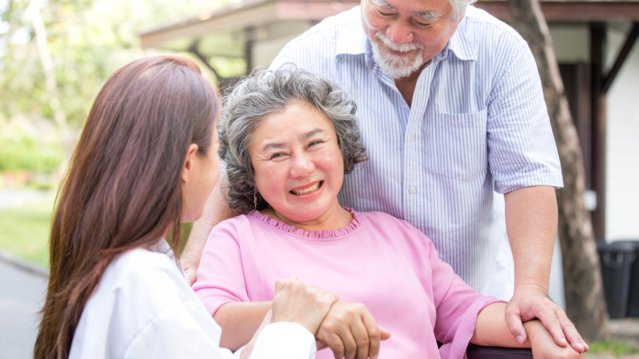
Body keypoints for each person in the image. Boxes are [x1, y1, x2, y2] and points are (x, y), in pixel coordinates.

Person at [181, 0, 588, 352]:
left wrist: (534, 307)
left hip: (471, 288)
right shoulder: (309, 54)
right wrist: (194, 261)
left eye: (422, 19)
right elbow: (205, 320)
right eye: (384, 10)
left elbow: (528, 177)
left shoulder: (500, 53)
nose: (396, 33)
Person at [33, 56, 340, 359]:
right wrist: (293, 327)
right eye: (218, 152)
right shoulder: (143, 285)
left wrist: (278, 321)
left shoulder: (126, 268)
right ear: (189, 162)